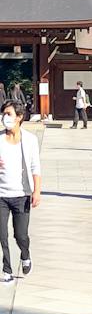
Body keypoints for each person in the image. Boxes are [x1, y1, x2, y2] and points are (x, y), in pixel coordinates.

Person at [0, 99, 42, 283]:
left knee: (20, 235)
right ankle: (7, 269)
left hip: (21, 195)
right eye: (3, 114)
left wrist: (37, 191)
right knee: (2, 235)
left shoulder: (30, 140)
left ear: (19, 117)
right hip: (1, 194)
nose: (4, 118)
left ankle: (25, 255)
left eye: (8, 114)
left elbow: (35, 167)